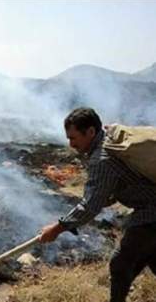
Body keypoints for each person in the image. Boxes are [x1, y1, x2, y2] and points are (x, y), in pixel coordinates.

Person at [39, 107, 156, 302]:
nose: (71, 144)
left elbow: (90, 207)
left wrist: (57, 228)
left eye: (73, 138)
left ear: (91, 132)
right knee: (150, 256)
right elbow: (119, 185)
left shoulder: (101, 159)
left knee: (120, 264)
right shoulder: (109, 141)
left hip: (151, 213)